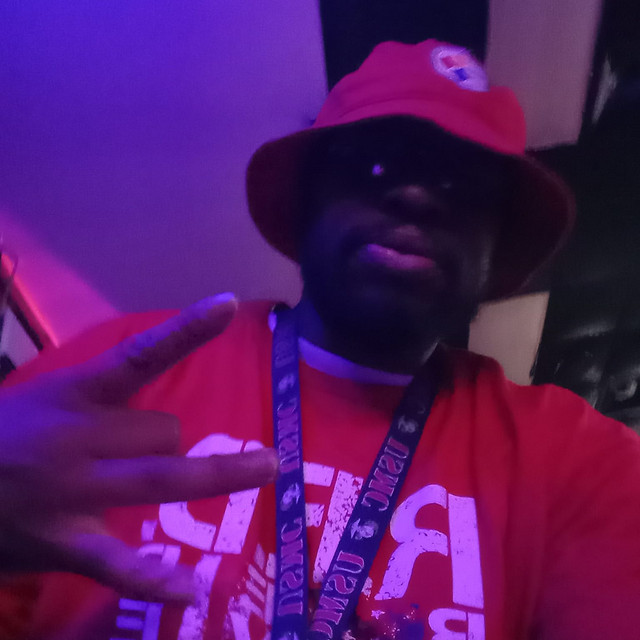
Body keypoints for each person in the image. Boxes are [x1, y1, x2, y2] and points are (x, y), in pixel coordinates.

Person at [2, 39, 640, 640]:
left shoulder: (576, 461)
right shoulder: (116, 370)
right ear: (306, 202)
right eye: (376, 162)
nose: (415, 195)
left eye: (463, 186)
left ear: (495, 250)